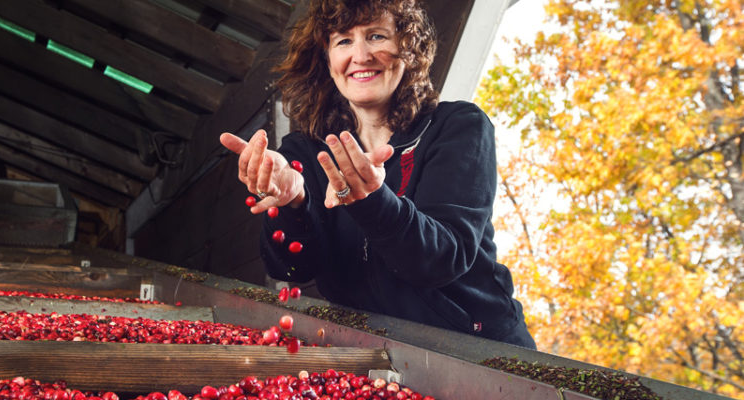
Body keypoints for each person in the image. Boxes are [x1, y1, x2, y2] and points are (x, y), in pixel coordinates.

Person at [219, 0, 536, 349]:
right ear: (326, 59)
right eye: (343, 41)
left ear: (408, 48)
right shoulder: (305, 152)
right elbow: (292, 269)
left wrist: (374, 202)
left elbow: (444, 258)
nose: (361, 55)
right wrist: (294, 205)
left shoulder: (458, 127)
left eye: (376, 36)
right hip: (376, 357)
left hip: (479, 353)